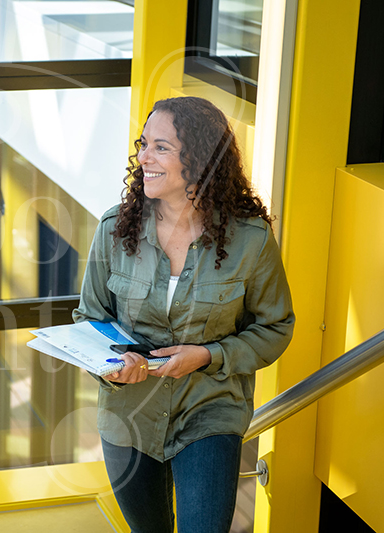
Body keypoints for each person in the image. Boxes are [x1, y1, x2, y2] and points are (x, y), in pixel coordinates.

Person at [73, 96, 294, 533]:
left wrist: (209, 355)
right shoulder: (115, 229)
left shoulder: (251, 240)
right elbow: (90, 319)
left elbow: (275, 327)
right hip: (128, 419)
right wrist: (114, 365)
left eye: (161, 147)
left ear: (198, 159)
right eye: (143, 144)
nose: (143, 157)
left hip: (209, 412)